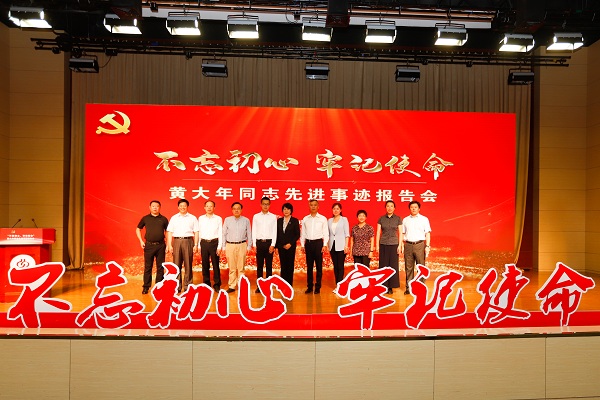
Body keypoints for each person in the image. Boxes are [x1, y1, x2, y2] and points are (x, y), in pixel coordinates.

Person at [135, 200, 169, 295]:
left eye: (157, 206)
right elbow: (138, 229)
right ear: (150, 207)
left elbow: (167, 232)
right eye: (153, 206)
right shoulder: (145, 218)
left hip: (161, 245)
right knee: (148, 267)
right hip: (149, 245)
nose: (155, 208)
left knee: (160, 267)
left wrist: (168, 244)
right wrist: (141, 241)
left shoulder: (164, 219)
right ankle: (146, 287)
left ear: (160, 207)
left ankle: (159, 287)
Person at [166, 199, 199, 292]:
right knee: (176, 265)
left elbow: (196, 231)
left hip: (188, 241)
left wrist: (196, 244)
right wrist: (169, 245)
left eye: (184, 206)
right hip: (176, 241)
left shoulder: (192, 218)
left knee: (188, 264)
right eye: (181, 206)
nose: (182, 207)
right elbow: (170, 232)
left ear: (187, 207)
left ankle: (188, 285)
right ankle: (177, 286)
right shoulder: (174, 218)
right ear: (178, 207)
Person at [401, 201, 431, 295]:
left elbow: (427, 233)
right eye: (412, 207)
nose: (413, 209)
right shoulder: (405, 220)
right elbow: (402, 233)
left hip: (419, 244)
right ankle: (408, 288)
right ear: (409, 209)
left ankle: (420, 287)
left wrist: (427, 246)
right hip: (408, 245)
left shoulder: (424, 219)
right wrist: (401, 244)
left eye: (415, 207)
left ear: (419, 209)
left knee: (421, 267)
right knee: (408, 267)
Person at [222, 201, 252, 293]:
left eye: (238, 209)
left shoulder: (246, 220)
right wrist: (223, 246)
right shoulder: (227, 220)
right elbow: (224, 233)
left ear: (241, 210)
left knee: (241, 267)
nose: (236, 210)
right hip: (230, 245)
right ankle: (232, 286)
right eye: (234, 209)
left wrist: (249, 246)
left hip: (242, 244)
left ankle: (241, 285)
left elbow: (249, 233)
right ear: (232, 210)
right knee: (232, 268)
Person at [300, 199, 329, 294]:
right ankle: (309, 286)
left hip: (318, 244)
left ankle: (318, 287)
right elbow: (303, 233)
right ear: (309, 206)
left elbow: (326, 233)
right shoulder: (305, 219)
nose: (313, 206)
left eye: (315, 205)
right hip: (308, 244)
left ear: (318, 206)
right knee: (309, 267)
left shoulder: (323, 218)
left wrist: (324, 244)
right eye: (311, 205)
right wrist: (302, 245)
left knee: (319, 267)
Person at [375, 200, 402, 295]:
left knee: (393, 266)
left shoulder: (398, 219)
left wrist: (400, 245)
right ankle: (384, 286)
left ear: (394, 208)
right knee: (383, 265)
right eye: (388, 206)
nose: (389, 208)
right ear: (385, 208)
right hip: (383, 244)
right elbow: (378, 232)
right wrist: (377, 245)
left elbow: (400, 233)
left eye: (391, 206)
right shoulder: (381, 219)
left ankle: (391, 286)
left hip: (394, 244)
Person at [252, 196, 277, 293]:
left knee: (269, 266)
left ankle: (268, 286)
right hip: (259, 243)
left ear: (270, 205)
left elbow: (274, 231)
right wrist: (254, 244)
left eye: (267, 204)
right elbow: (254, 230)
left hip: (269, 243)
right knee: (259, 266)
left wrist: (273, 244)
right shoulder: (256, 216)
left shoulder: (273, 217)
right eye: (264, 204)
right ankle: (259, 286)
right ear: (260, 205)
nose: (265, 206)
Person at [198, 200, 223, 292]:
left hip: (214, 243)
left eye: (211, 206)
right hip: (204, 243)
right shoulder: (201, 218)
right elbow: (199, 232)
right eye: (207, 206)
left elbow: (220, 232)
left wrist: (219, 246)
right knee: (205, 264)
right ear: (204, 207)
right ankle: (206, 283)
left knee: (215, 264)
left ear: (214, 208)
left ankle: (217, 284)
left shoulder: (218, 219)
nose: (209, 208)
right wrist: (199, 245)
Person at [276, 202, 300, 287]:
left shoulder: (295, 221)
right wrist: (278, 245)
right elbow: (277, 234)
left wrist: (290, 243)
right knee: (283, 265)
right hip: (281, 247)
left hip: (290, 247)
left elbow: (297, 234)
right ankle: (283, 284)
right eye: (284, 209)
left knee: (290, 265)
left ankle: (289, 285)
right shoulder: (279, 221)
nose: (286, 211)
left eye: (288, 209)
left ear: (291, 211)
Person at [327, 202, 350, 285]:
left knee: (340, 266)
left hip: (341, 246)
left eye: (337, 209)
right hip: (332, 246)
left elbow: (347, 234)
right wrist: (327, 245)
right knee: (335, 266)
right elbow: (328, 234)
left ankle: (340, 285)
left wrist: (346, 246)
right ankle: (337, 284)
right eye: (334, 209)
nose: (335, 210)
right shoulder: (329, 220)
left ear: (340, 210)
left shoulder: (344, 219)